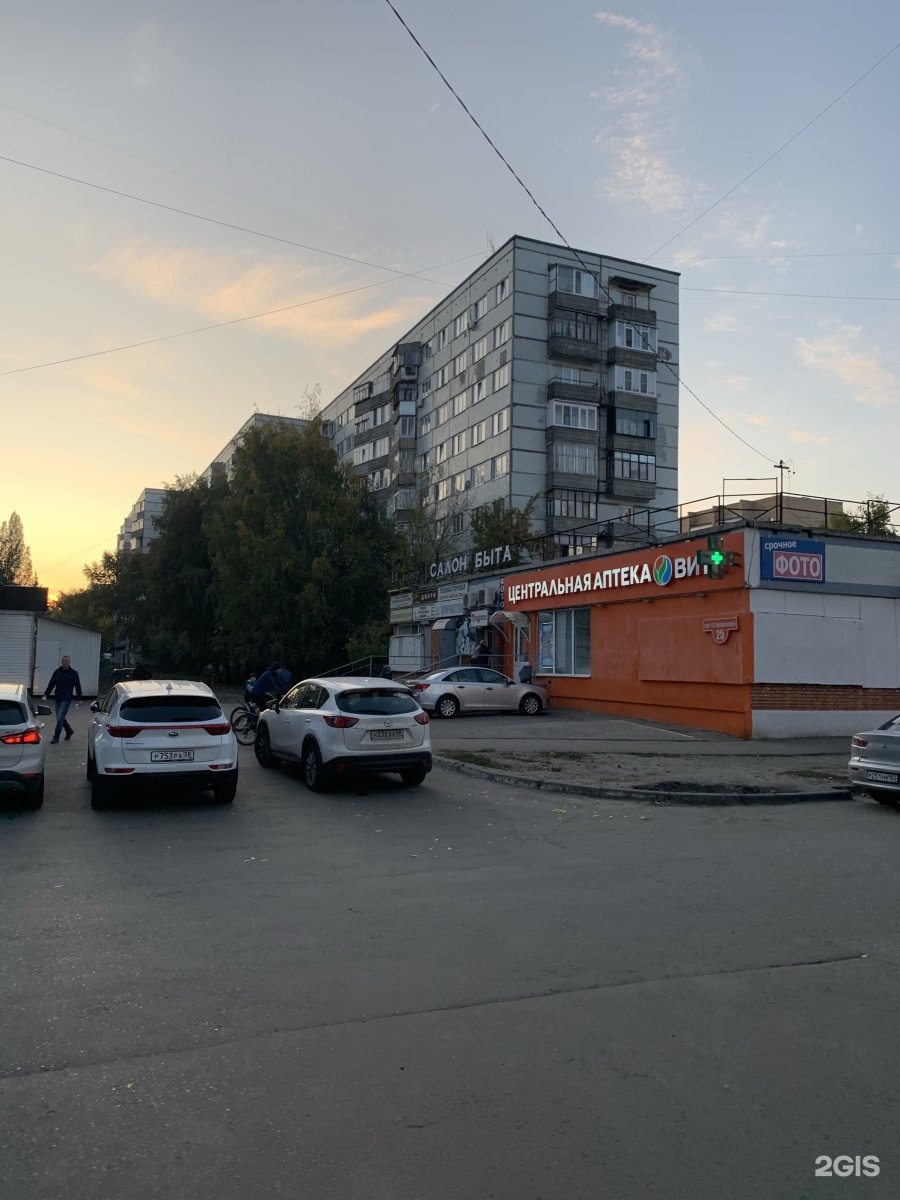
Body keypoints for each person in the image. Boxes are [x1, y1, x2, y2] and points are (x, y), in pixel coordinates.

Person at [43, 654, 83, 743]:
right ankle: (69, 730)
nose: (65, 662)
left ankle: (56, 737)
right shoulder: (57, 672)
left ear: (69, 662)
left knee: (60, 718)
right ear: (61, 662)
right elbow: (51, 684)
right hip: (57, 697)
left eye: (66, 661)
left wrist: (79, 698)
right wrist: (46, 694)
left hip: (66, 698)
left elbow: (78, 686)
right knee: (59, 718)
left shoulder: (73, 673)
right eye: (63, 660)